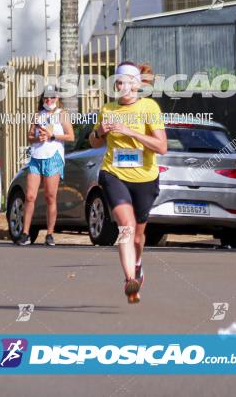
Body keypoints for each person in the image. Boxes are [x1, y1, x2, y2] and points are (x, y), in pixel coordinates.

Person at [89, 62, 167, 303]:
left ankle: (138, 263)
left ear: (137, 84)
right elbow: (94, 143)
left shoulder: (149, 108)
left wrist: (130, 131)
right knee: (126, 226)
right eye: (118, 82)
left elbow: (161, 147)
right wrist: (100, 131)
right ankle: (129, 280)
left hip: (144, 177)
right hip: (114, 174)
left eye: (127, 82)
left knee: (137, 237)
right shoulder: (107, 109)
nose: (123, 87)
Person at [17, 85, 75, 246]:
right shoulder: (38, 115)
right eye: (46, 97)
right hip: (36, 157)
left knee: (50, 196)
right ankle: (25, 233)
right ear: (43, 99)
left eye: (52, 97)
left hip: (53, 157)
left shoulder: (62, 115)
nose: (49, 100)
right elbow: (30, 136)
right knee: (30, 196)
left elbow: (70, 136)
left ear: (57, 99)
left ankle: (50, 233)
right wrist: (38, 139)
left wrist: (53, 136)